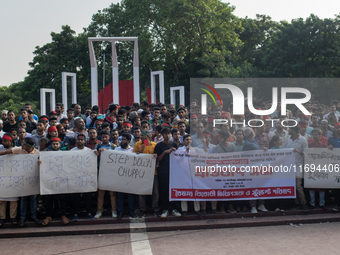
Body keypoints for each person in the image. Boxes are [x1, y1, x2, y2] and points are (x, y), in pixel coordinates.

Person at [0, 137, 41, 227]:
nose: (22, 145)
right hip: (21, 180)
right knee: (23, 199)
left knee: (33, 199)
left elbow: (41, 164)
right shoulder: (19, 149)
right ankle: (22, 217)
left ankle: (34, 216)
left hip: (32, 179)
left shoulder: (37, 153)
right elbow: (6, 152)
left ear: (30, 146)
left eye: (24, 144)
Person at [40, 137, 70, 226]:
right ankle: (48, 216)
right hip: (49, 179)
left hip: (61, 179)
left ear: (59, 145)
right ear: (51, 145)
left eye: (57, 144)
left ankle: (63, 215)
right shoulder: (45, 154)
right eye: (53, 144)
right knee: (49, 199)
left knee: (62, 198)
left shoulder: (64, 154)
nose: (55, 145)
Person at [154, 128, 181, 218]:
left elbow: (179, 157)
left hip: (173, 171)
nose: (167, 135)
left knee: (173, 189)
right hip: (163, 171)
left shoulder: (174, 144)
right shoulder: (158, 146)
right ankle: (165, 209)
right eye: (165, 134)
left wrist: (175, 151)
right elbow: (157, 160)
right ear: (162, 135)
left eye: (168, 134)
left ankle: (174, 208)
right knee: (164, 190)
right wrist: (164, 153)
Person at [134, 129, 159, 217]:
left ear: (148, 137)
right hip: (141, 172)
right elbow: (133, 158)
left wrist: (156, 156)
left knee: (155, 191)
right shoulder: (137, 145)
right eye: (141, 136)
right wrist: (141, 151)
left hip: (153, 172)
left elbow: (158, 157)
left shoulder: (155, 145)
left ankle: (155, 208)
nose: (141, 137)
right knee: (142, 191)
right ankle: (142, 209)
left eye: (143, 136)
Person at [243, 127, 268, 213]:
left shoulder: (254, 141)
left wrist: (263, 150)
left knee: (261, 186)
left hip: (259, 167)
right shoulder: (247, 143)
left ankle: (261, 204)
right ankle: (253, 206)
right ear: (251, 134)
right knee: (253, 187)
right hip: (252, 168)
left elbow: (257, 152)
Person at [94, 130, 117, 219]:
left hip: (111, 171)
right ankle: (99, 211)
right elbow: (94, 157)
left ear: (109, 137)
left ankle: (114, 210)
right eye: (102, 137)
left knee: (112, 193)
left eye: (106, 137)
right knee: (101, 192)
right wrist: (97, 153)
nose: (104, 138)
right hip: (101, 170)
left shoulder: (113, 146)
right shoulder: (98, 146)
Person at [285, 125, 309, 212]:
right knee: (293, 185)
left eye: (290, 129)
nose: (289, 130)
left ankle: (304, 203)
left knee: (298, 185)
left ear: (294, 130)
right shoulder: (288, 139)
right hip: (290, 165)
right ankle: (297, 202)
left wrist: (298, 152)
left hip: (299, 165)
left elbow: (307, 153)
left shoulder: (303, 140)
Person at [177, 134, 201, 216]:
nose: (188, 141)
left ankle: (197, 209)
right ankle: (184, 210)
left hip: (193, 173)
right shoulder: (180, 149)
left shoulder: (195, 150)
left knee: (195, 190)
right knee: (184, 191)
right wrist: (185, 151)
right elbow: (177, 160)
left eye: (190, 139)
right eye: (187, 139)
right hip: (183, 173)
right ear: (183, 141)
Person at [70, 134, 94, 220]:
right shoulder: (71, 151)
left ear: (84, 141)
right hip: (75, 176)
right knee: (75, 196)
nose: (80, 141)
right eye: (78, 140)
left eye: (82, 140)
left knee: (88, 195)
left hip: (86, 176)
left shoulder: (89, 151)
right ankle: (75, 213)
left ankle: (89, 212)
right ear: (76, 141)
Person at [115, 133, 137, 219]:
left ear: (128, 141)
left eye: (124, 140)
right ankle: (120, 212)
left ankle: (131, 211)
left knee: (130, 195)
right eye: (121, 140)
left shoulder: (132, 151)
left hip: (129, 176)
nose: (122, 141)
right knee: (120, 194)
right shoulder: (116, 150)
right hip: (119, 176)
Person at [0, 133, 18, 227]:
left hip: (13, 176)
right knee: (1, 200)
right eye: (2, 141)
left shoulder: (16, 148)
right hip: (1, 177)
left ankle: (13, 217)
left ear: (10, 141)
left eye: (5, 141)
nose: (3, 142)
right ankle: (1, 218)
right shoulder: (0, 147)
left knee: (13, 199)